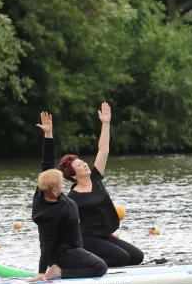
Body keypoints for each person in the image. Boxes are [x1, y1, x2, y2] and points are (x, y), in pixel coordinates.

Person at [57, 102, 144, 268]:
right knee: (122, 258)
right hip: (87, 240)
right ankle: (84, 263)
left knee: (137, 257)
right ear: (73, 176)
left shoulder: (95, 178)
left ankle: (100, 258)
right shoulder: (72, 198)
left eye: (83, 162)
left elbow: (103, 150)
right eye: (79, 165)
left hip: (103, 236)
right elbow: (65, 225)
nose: (84, 165)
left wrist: (105, 123)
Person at [30, 112, 107, 281]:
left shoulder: (43, 189)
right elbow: (47, 243)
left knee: (93, 259)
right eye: (61, 184)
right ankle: (59, 273)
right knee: (100, 267)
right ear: (55, 191)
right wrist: (41, 271)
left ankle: (61, 269)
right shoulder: (52, 213)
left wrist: (48, 134)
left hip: (72, 249)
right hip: (63, 253)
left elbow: (47, 163)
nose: (64, 185)